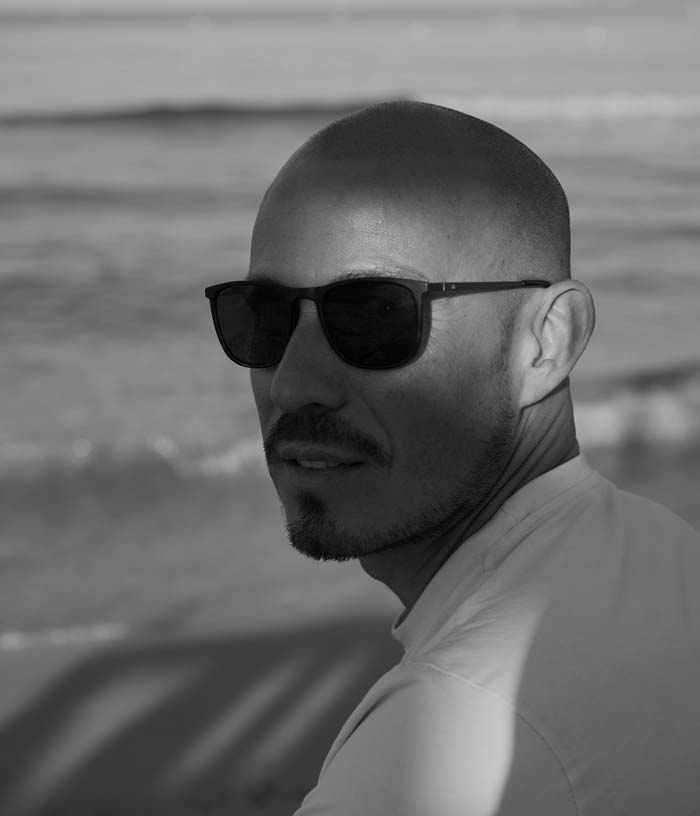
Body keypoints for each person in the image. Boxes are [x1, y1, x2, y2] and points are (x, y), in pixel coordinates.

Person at [204, 101, 700, 814]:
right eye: (263, 316)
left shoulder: (436, 750)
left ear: (547, 341)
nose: (291, 382)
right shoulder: (666, 554)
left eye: (375, 315)